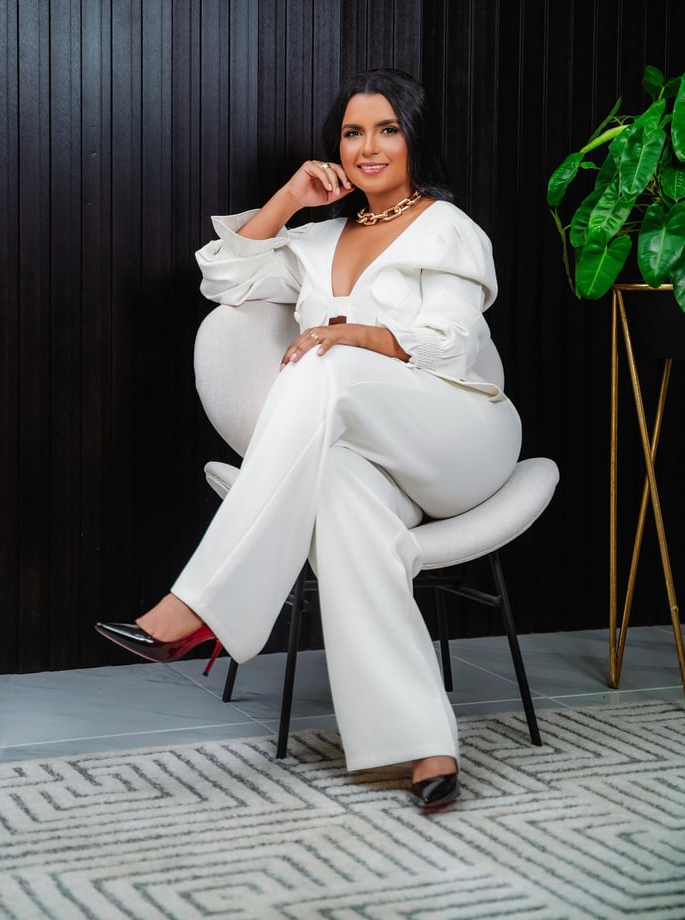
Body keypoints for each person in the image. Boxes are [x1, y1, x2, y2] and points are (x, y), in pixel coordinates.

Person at [96, 67, 522, 811]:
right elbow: (224, 279)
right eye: (353, 132)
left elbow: (454, 347)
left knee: (326, 353)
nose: (368, 146)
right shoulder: (320, 239)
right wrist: (292, 198)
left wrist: (357, 333)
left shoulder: (449, 228)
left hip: (460, 438)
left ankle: (200, 606)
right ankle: (425, 746)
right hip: (375, 458)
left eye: (387, 129)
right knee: (339, 497)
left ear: (416, 140)